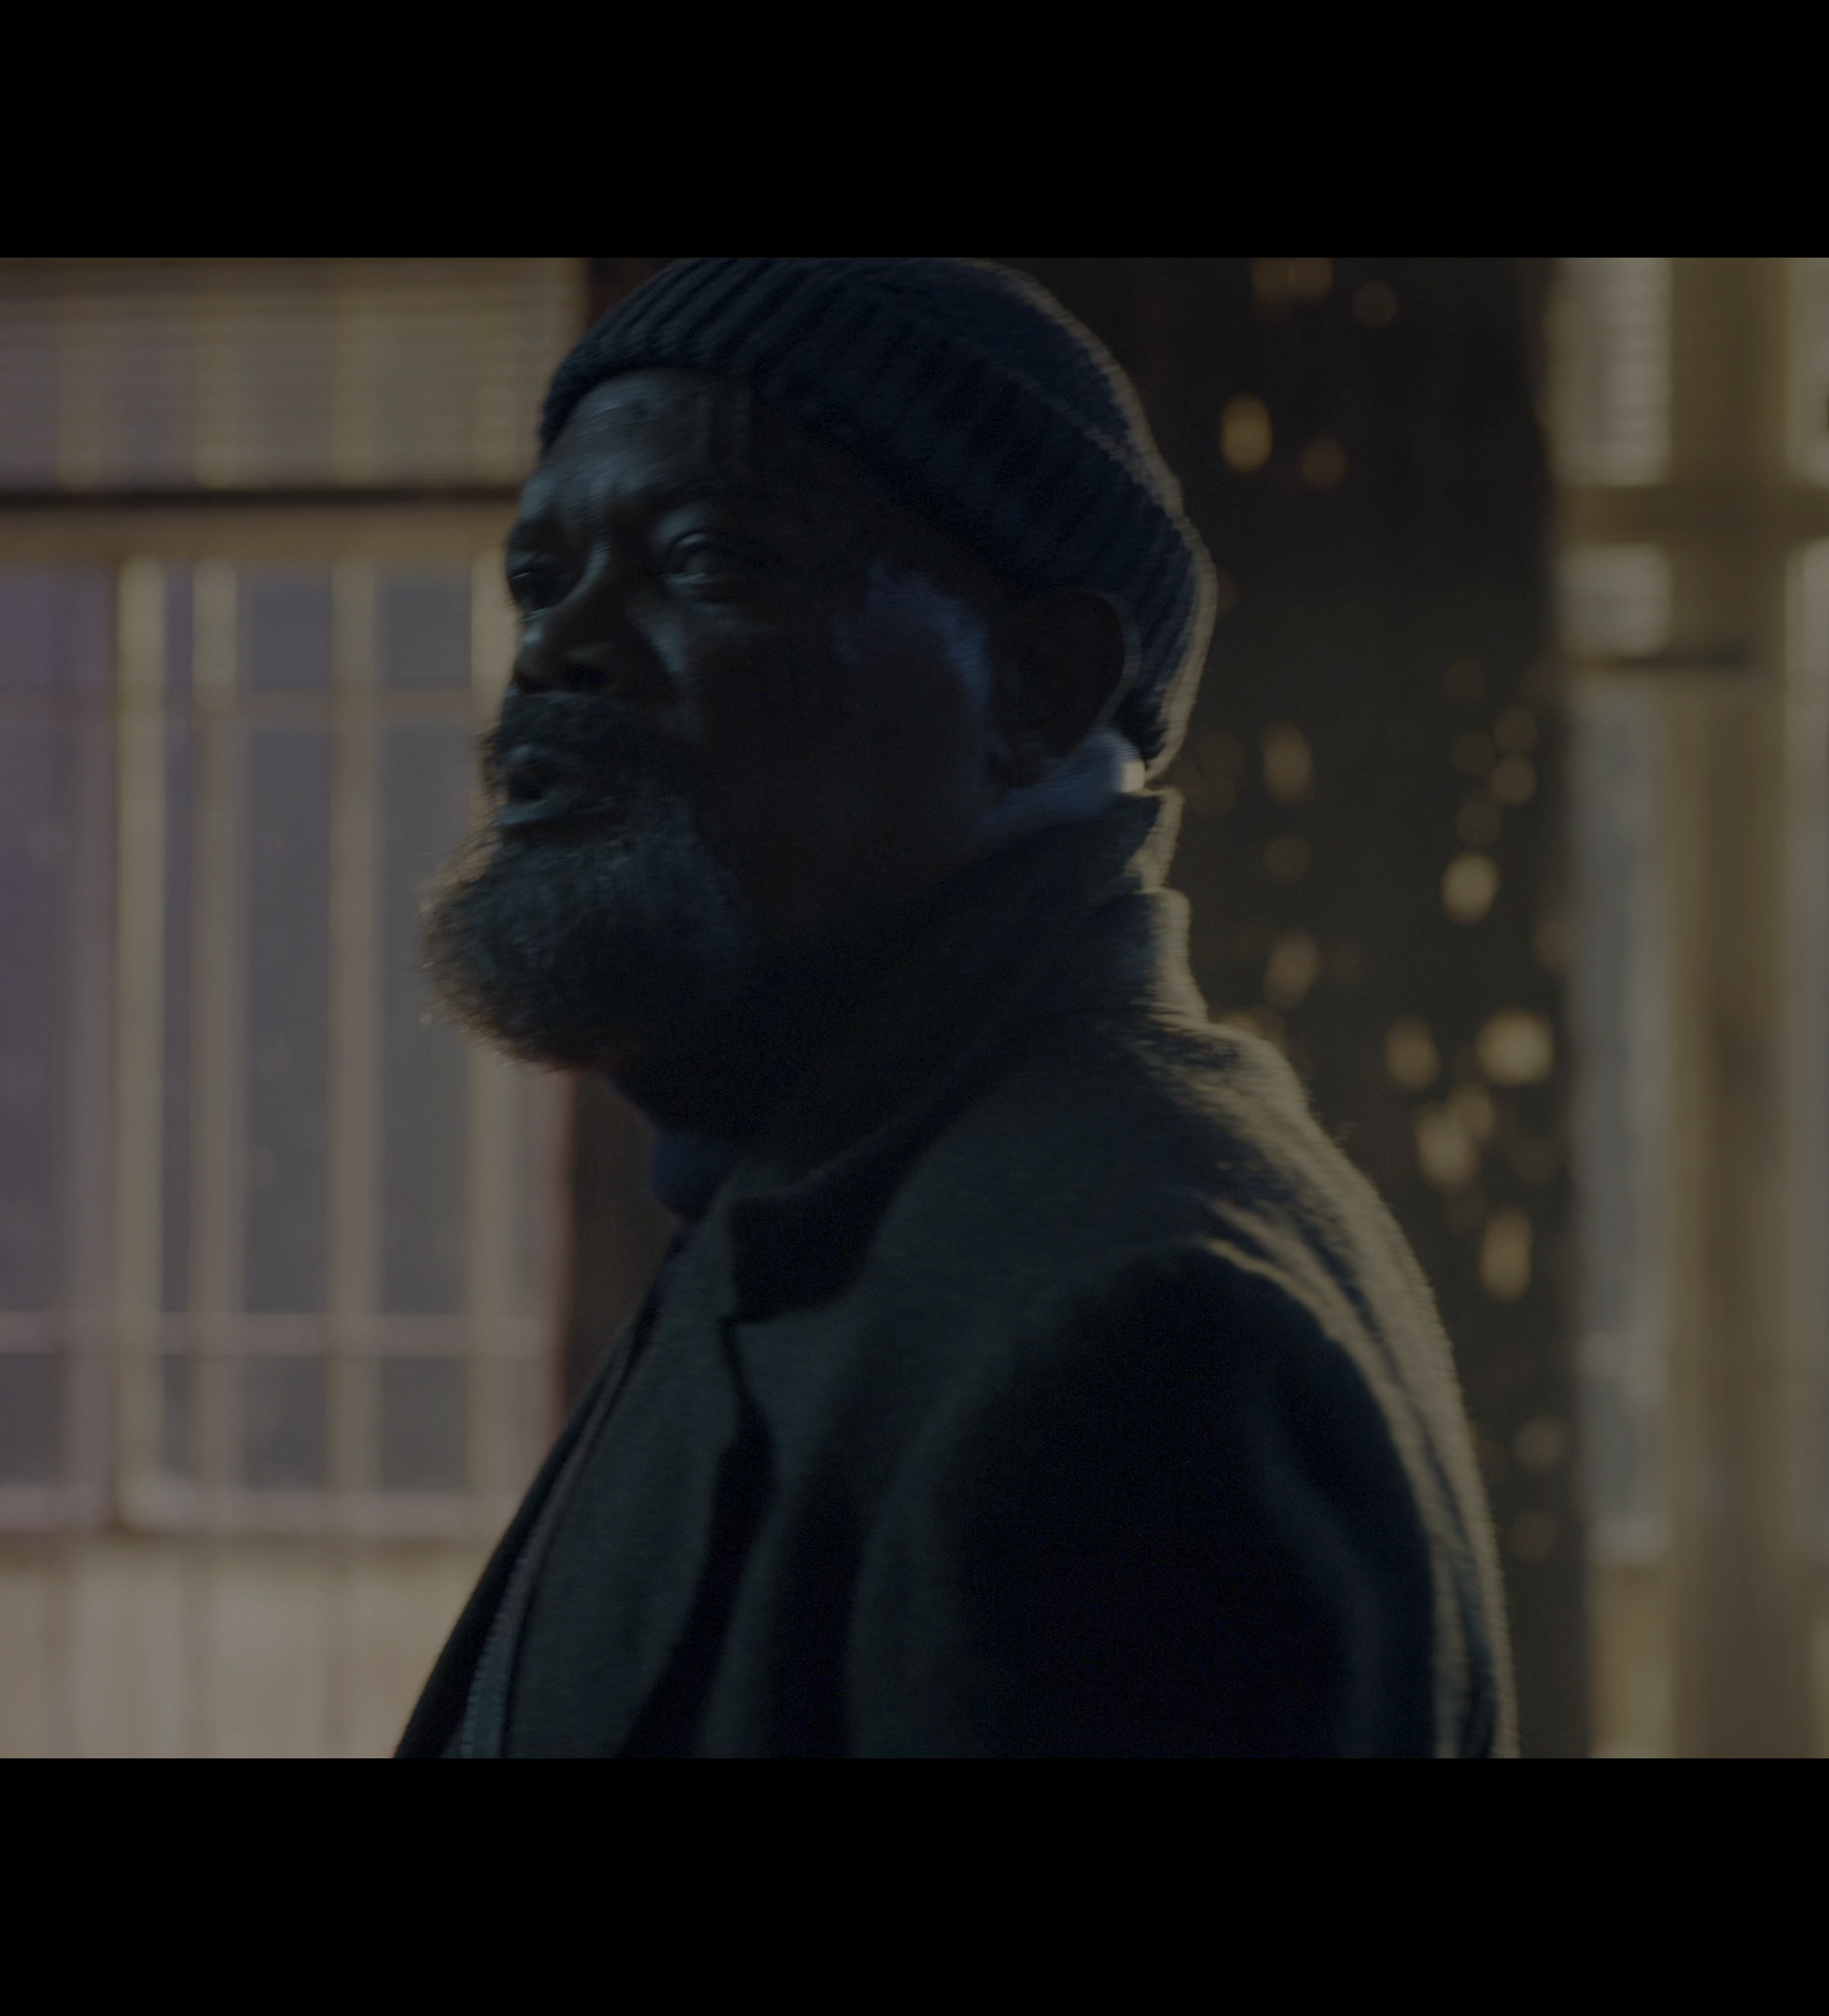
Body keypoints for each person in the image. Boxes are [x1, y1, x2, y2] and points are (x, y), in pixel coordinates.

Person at [405, 259, 1510, 1756]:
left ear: (1040, 685)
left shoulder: (1127, 1340)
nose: (555, 647)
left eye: (710, 558)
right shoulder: (823, 1187)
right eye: (540, 582)